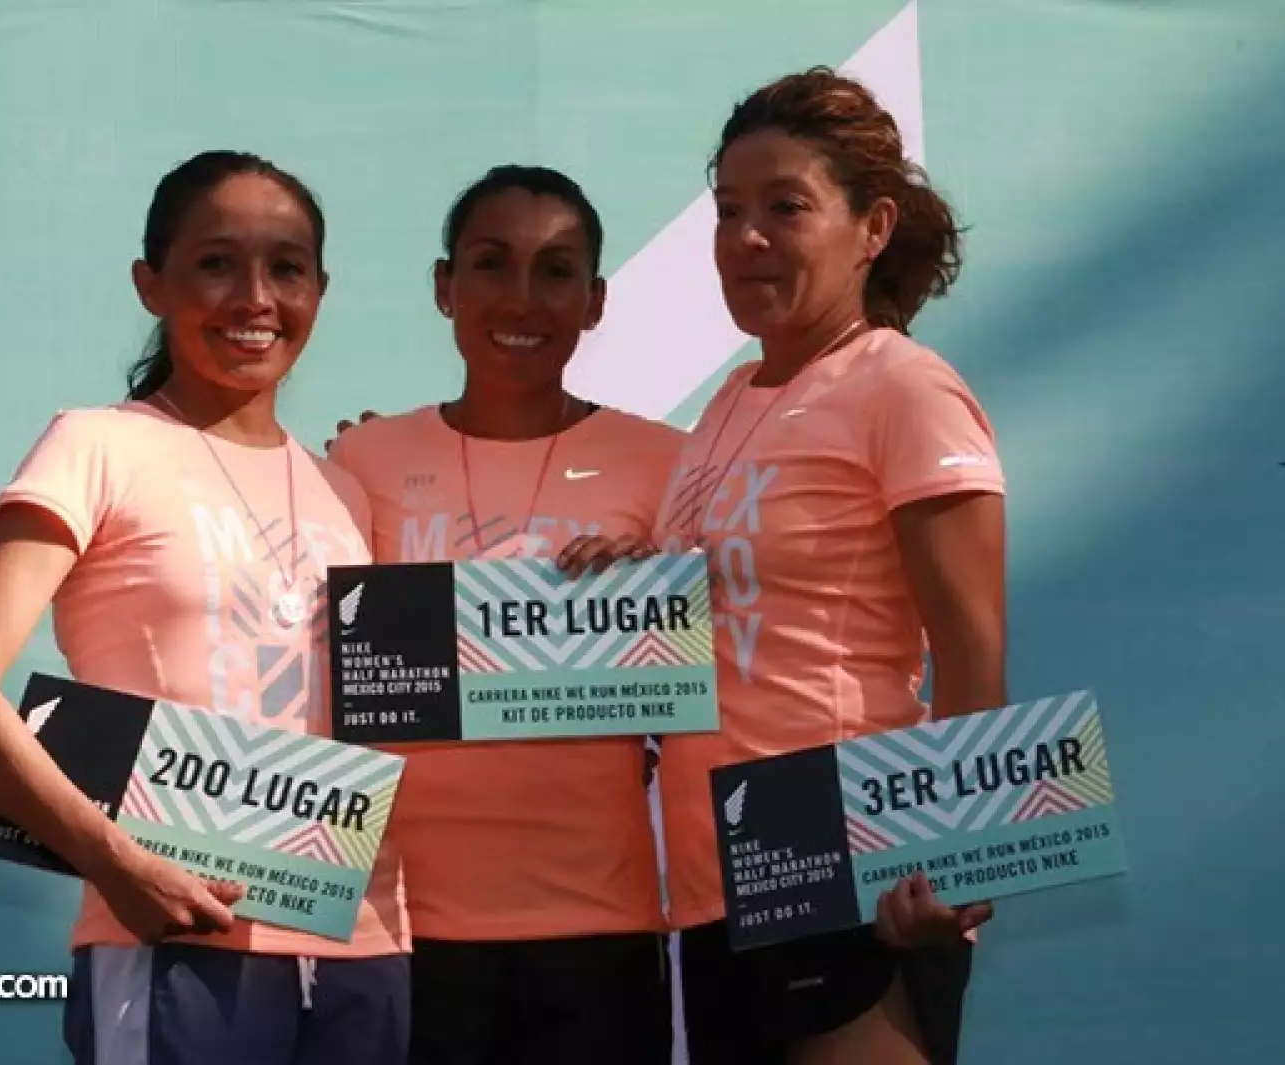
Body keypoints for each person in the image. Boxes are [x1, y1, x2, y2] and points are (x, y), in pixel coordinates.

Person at [0, 150, 411, 1065]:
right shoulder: (97, 445)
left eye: (286, 267)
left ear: (322, 289)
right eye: (217, 262)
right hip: (176, 936)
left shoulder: (351, 490)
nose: (255, 296)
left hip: (361, 943)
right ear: (152, 283)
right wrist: (115, 861)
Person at [565, 68, 1006, 1064]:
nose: (746, 237)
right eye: (727, 211)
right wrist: (648, 574)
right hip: (726, 876)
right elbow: (754, 593)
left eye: (785, 207)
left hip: (856, 864)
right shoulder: (729, 400)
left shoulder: (906, 388)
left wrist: (965, 860)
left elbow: (973, 652)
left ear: (873, 226)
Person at [326, 164, 682, 1065]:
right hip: (399, 925)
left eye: (556, 270)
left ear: (596, 300)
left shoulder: (670, 464)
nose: (523, 297)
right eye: (491, 263)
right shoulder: (362, 457)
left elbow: (711, 683)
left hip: (602, 925)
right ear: (445, 286)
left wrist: (661, 604)